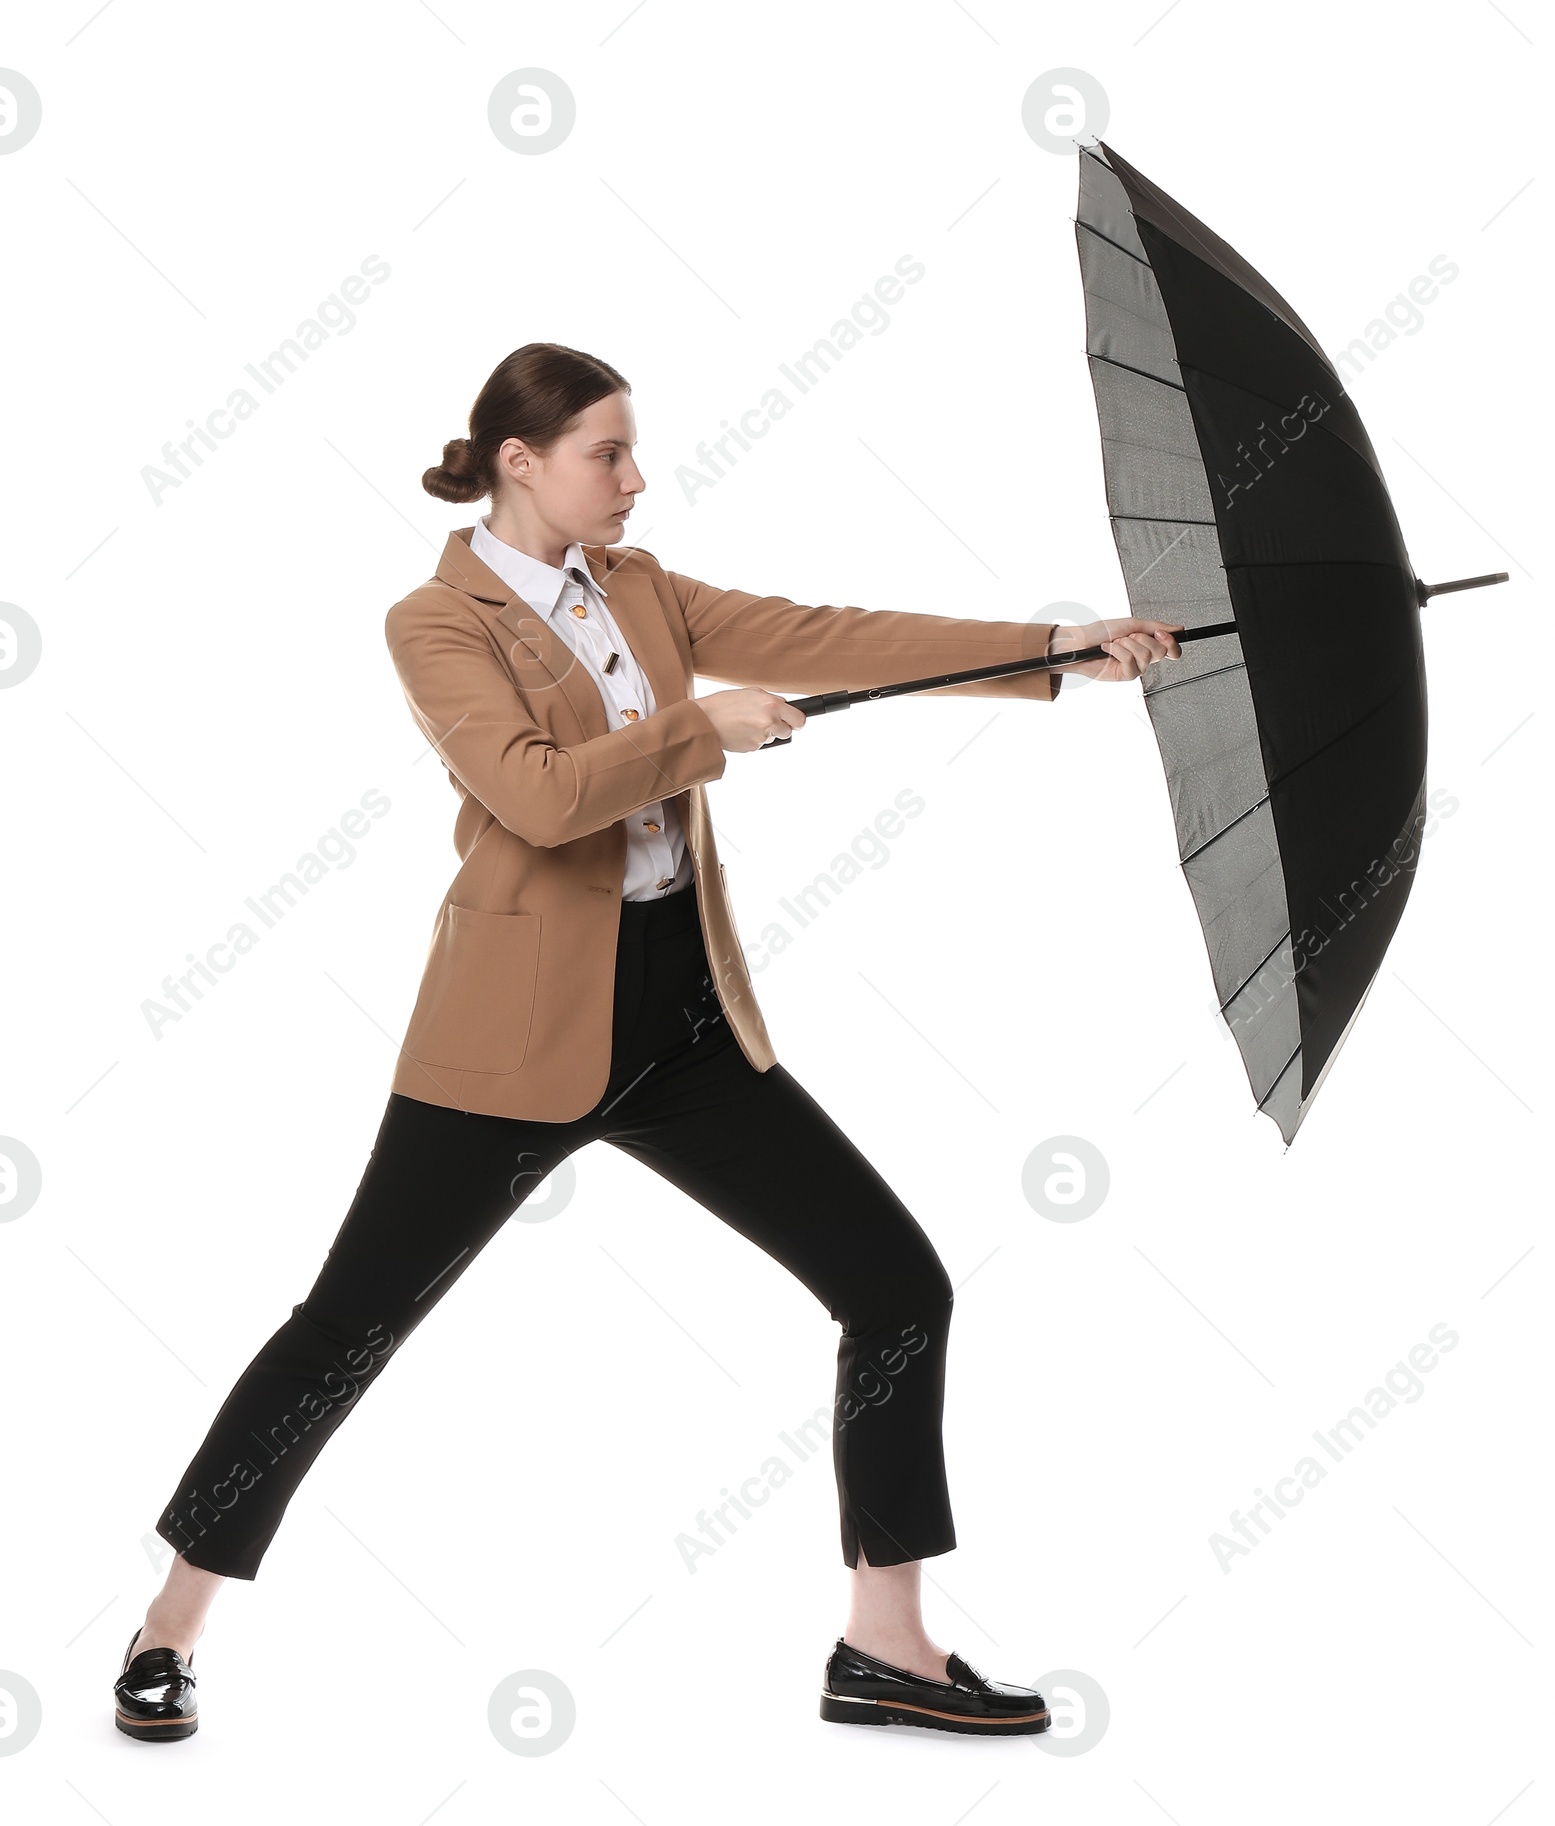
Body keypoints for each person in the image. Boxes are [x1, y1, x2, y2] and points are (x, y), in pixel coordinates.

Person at [112, 342, 1182, 1743]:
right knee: (349, 1328)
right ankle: (167, 1624)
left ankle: (887, 1640)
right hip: (510, 1036)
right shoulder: (434, 622)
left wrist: (1054, 648)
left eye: (630, 451)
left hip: (680, 1017)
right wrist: (694, 729)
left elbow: (823, 634)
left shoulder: (639, 586)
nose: (634, 475)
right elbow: (535, 794)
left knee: (895, 1281)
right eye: (606, 453)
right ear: (519, 461)